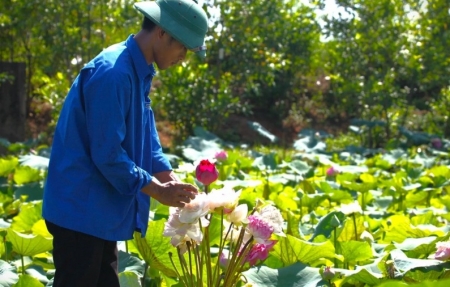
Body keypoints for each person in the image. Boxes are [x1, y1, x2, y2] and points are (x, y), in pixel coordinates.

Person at [42, 1, 208, 286]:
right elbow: (108, 155)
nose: (183, 57)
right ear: (161, 33)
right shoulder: (114, 72)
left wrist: (170, 181)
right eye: (183, 47)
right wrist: (157, 190)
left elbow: (147, 139)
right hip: (81, 210)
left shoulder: (138, 69)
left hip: (101, 211)